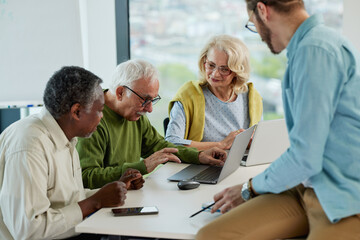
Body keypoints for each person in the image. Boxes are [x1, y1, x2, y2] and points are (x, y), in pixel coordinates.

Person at [197, 0, 360, 239]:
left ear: (262, 10)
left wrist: (248, 188)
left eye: (253, 24)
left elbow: (305, 157)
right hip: (308, 186)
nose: (260, 35)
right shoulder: (309, 47)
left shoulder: (314, 50)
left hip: (341, 196)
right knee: (210, 235)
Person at [0, 66, 144, 240]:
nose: (102, 117)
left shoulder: (66, 137)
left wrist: (113, 190)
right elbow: (28, 229)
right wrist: (95, 201)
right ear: (76, 111)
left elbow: (69, 201)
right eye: (100, 110)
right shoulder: (30, 145)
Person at [77, 59, 227, 189]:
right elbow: (86, 176)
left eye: (153, 100)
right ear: (120, 92)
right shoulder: (93, 119)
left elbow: (160, 146)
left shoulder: (134, 114)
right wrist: (141, 167)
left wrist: (199, 156)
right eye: (145, 100)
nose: (149, 109)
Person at [165, 34, 263, 151]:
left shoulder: (251, 97)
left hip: (240, 165)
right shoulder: (188, 95)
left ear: (237, 71)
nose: (215, 74)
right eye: (211, 65)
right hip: (200, 165)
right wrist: (221, 145)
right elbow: (171, 142)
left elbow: (259, 141)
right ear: (204, 62)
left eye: (224, 69)